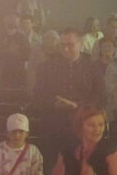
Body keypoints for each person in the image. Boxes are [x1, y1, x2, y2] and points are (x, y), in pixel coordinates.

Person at [32, 27, 102, 156]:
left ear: (80, 44)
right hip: (54, 123)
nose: (65, 49)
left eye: (70, 45)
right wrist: (54, 103)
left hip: (83, 124)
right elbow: (37, 95)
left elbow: (100, 97)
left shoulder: (93, 67)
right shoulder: (46, 66)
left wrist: (78, 105)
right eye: (62, 45)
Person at [0, 12, 31, 90]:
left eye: (15, 20)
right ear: (5, 21)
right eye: (10, 20)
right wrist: (7, 51)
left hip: (18, 73)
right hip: (2, 73)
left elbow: (27, 55)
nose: (13, 22)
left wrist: (17, 53)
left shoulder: (22, 38)